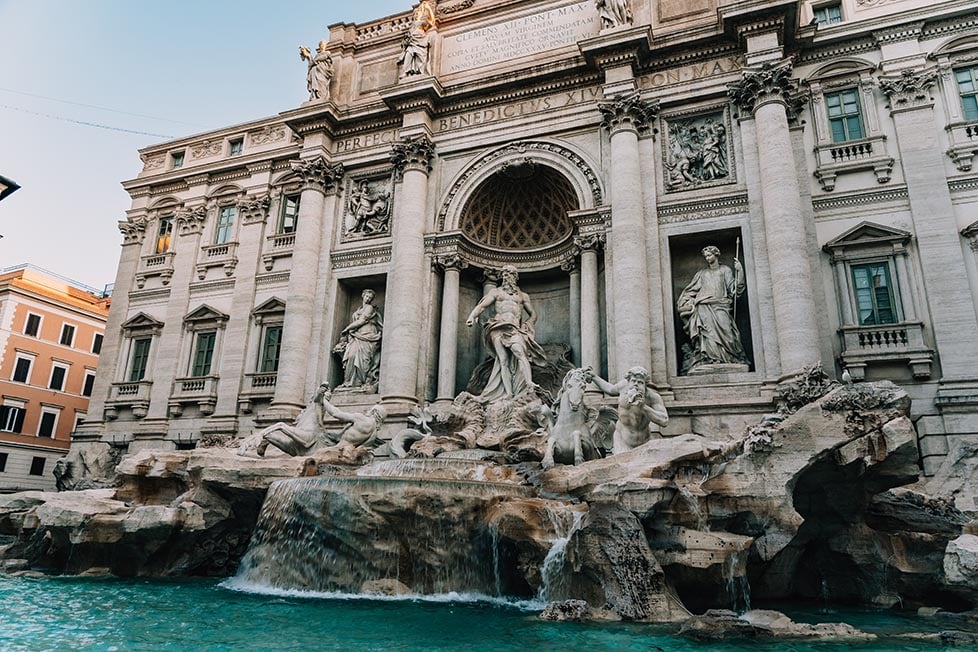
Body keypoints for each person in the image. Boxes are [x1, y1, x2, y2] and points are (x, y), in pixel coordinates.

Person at [466, 265, 547, 401]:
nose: (506, 277)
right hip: (498, 327)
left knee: (520, 353)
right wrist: (471, 316)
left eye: (509, 275)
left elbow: (533, 314)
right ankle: (508, 393)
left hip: (514, 328)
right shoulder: (496, 292)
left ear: (515, 277)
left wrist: (529, 323)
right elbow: (482, 306)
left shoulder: (523, 296)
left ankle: (529, 383)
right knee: (503, 360)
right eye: (505, 275)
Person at [676, 245, 748, 373]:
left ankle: (729, 358)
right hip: (703, 306)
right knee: (707, 334)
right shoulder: (701, 274)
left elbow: (734, 290)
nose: (708, 258)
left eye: (710, 255)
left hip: (721, 305)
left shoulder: (725, 270)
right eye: (706, 256)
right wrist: (686, 302)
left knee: (727, 332)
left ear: (716, 255)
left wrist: (740, 272)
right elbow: (690, 291)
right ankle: (710, 359)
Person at [586, 366, 668, 454]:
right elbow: (609, 389)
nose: (636, 384)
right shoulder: (622, 387)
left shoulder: (652, 397)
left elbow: (664, 421)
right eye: (633, 381)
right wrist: (594, 377)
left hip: (643, 442)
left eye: (640, 382)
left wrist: (644, 407)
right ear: (628, 382)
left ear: (645, 385)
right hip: (622, 440)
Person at [255, 384, 329, 456]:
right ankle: (265, 436)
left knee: (282, 432)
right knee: (284, 432)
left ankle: (266, 436)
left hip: (303, 441)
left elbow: (320, 418)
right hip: (307, 436)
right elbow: (318, 401)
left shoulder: (320, 405)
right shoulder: (318, 403)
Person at [335, 289, 383, 390]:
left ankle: (359, 382)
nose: (368, 299)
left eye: (370, 298)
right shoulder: (359, 309)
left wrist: (347, 328)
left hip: (368, 335)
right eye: (367, 296)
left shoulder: (369, 308)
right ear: (362, 295)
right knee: (351, 356)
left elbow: (362, 320)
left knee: (364, 359)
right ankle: (349, 382)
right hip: (357, 335)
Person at [399, 0, 436, 77]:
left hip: (420, 40)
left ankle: (420, 70)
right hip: (412, 41)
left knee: (420, 56)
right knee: (408, 54)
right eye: (415, 14)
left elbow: (431, 22)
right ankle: (406, 71)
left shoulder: (422, 22)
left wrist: (428, 8)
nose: (415, 15)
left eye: (417, 13)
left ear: (420, 14)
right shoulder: (412, 24)